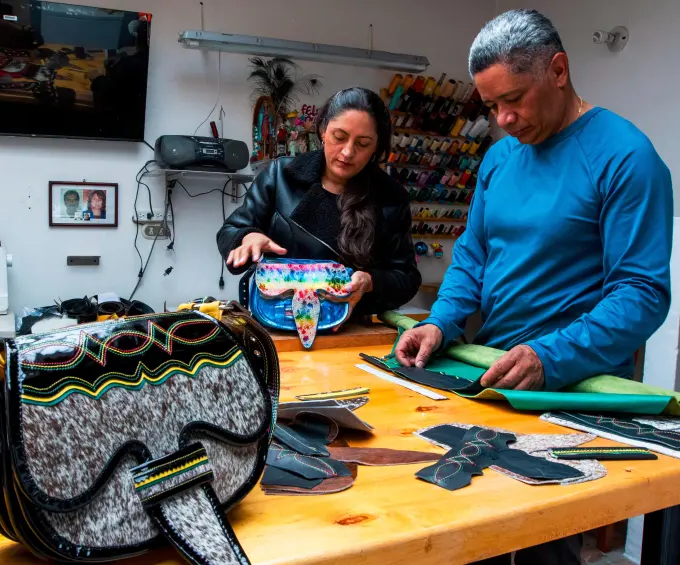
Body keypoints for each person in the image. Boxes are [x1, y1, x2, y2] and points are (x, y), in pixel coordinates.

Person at [395, 9, 672, 565]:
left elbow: (641, 293)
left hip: (569, 392)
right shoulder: (499, 158)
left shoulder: (626, 157)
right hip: (492, 376)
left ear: (559, 71)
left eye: (514, 99)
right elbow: (473, 255)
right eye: (490, 106)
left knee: (540, 544)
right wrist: (441, 321)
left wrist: (550, 356)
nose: (503, 119)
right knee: (464, 532)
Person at [217, 87, 421, 318]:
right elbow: (230, 230)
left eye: (363, 144)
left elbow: (406, 278)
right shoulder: (280, 175)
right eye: (339, 137)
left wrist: (370, 281)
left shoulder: (390, 197)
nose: (347, 152)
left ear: (376, 147)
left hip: (348, 325)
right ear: (323, 130)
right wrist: (247, 237)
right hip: (278, 316)